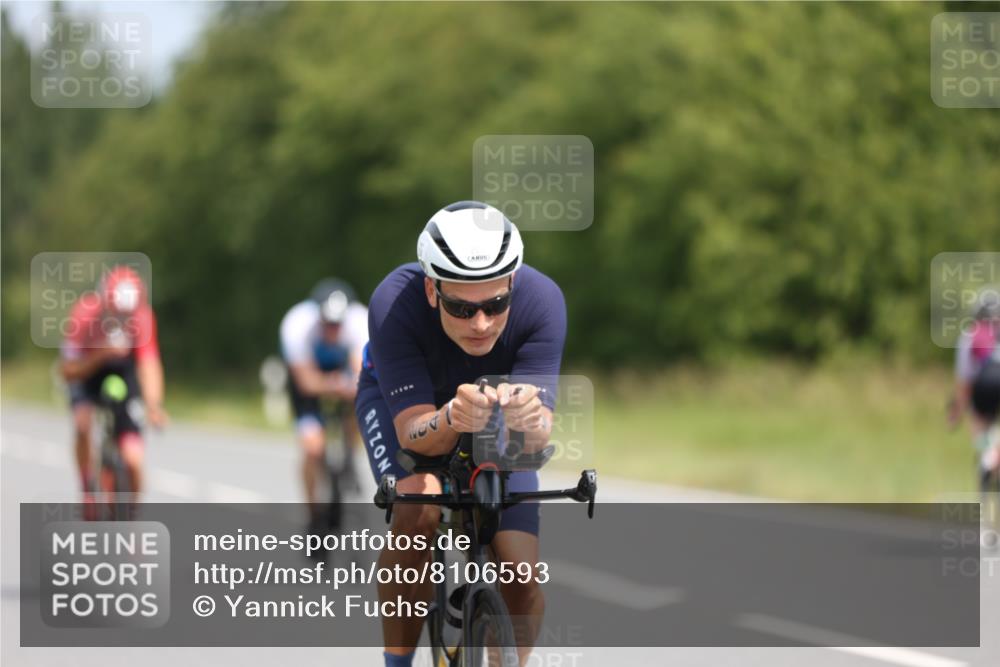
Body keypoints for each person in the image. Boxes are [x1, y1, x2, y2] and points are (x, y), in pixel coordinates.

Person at [356, 201, 566, 667]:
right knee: (420, 505)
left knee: (521, 573)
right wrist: (451, 418)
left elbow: (536, 440)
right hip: (405, 406)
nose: (481, 324)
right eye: (461, 308)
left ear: (512, 283)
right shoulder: (393, 303)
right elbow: (413, 433)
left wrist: (529, 420)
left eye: (495, 305)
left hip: (491, 414)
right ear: (432, 290)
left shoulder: (542, 302)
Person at [60, 265, 168, 509]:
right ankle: (87, 485)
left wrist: (154, 406)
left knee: (133, 459)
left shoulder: (142, 317)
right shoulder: (84, 315)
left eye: (127, 315)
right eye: (116, 314)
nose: (122, 321)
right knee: (83, 424)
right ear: (104, 303)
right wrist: (100, 354)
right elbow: (68, 370)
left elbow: (149, 364)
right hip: (87, 370)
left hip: (123, 371)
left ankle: (132, 514)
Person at [280, 278, 368, 532]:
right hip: (309, 377)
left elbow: (362, 376)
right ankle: (314, 516)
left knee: (363, 401)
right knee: (312, 448)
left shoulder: (360, 322)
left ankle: (350, 453)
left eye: (337, 324)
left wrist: (348, 386)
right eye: (327, 324)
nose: (333, 330)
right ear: (316, 316)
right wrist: (333, 385)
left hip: (342, 372)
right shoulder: (297, 324)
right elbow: (306, 383)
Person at [950, 287, 1000, 494]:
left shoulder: (970, 335)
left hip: (985, 381)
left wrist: (956, 412)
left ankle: (988, 460)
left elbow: (965, 381)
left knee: (980, 426)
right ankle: (993, 458)